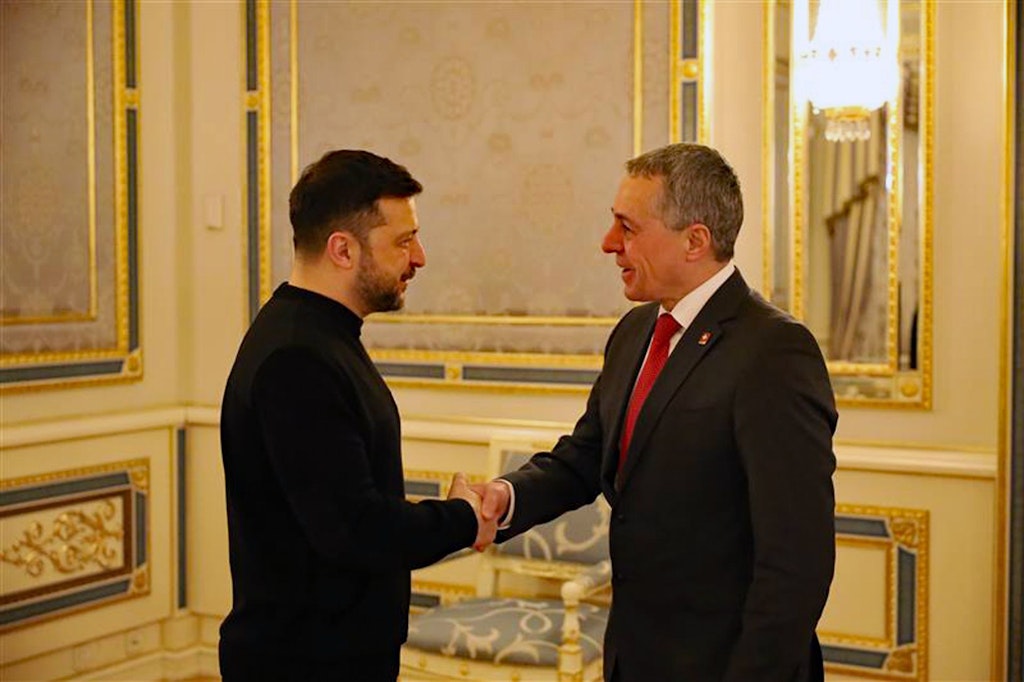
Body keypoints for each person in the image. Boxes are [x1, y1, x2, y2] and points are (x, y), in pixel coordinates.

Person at [472, 143, 838, 682]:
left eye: (628, 227)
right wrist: (508, 496)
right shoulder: (635, 331)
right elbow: (586, 456)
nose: (608, 243)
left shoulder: (774, 351)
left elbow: (796, 558)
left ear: (695, 240)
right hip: (634, 656)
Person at [219, 149, 496, 681]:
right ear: (343, 249)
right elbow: (356, 529)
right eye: (403, 241)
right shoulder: (297, 357)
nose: (419, 258)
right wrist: (463, 518)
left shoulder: (319, 335)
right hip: (304, 665)